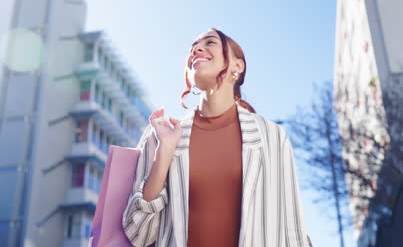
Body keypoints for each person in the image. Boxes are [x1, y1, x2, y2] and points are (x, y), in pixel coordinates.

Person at [122, 28, 313, 247]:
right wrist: (164, 153)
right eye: (193, 47)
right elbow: (139, 234)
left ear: (237, 66)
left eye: (210, 42)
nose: (196, 49)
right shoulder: (161, 136)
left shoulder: (272, 136)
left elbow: (292, 229)